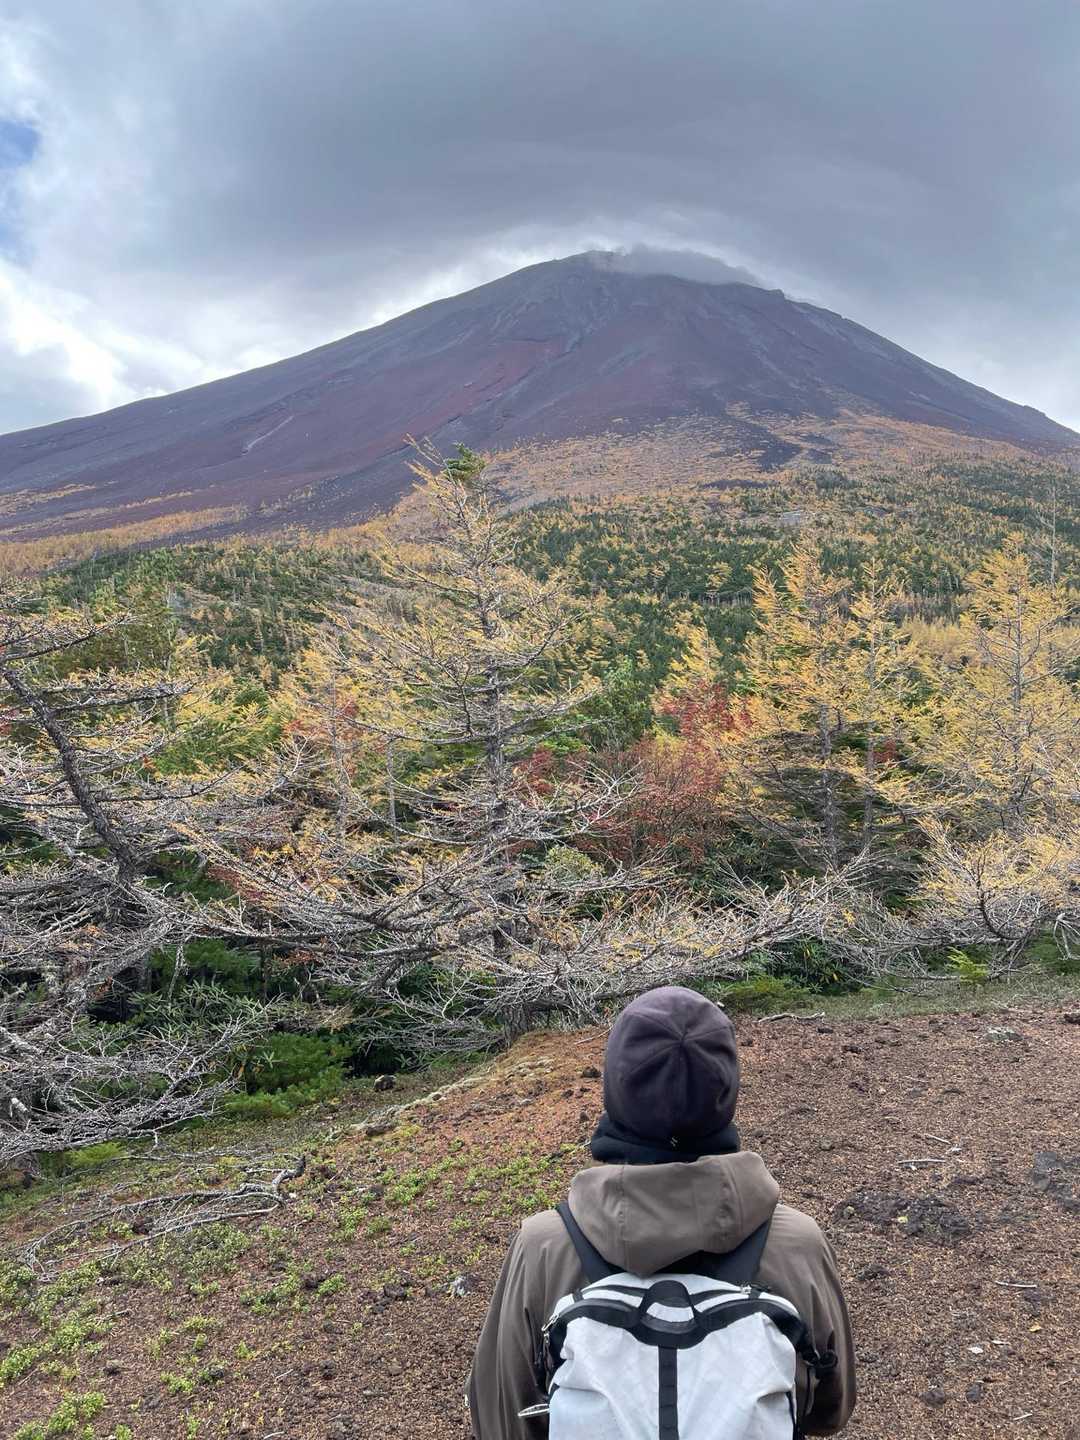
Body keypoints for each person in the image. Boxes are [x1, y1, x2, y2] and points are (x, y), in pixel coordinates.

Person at [467, 985, 856, 1437]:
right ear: (726, 1091)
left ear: (615, 1089)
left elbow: (500, 1419)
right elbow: (830, 1410)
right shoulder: (797, 1243)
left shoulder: (543, 1247)